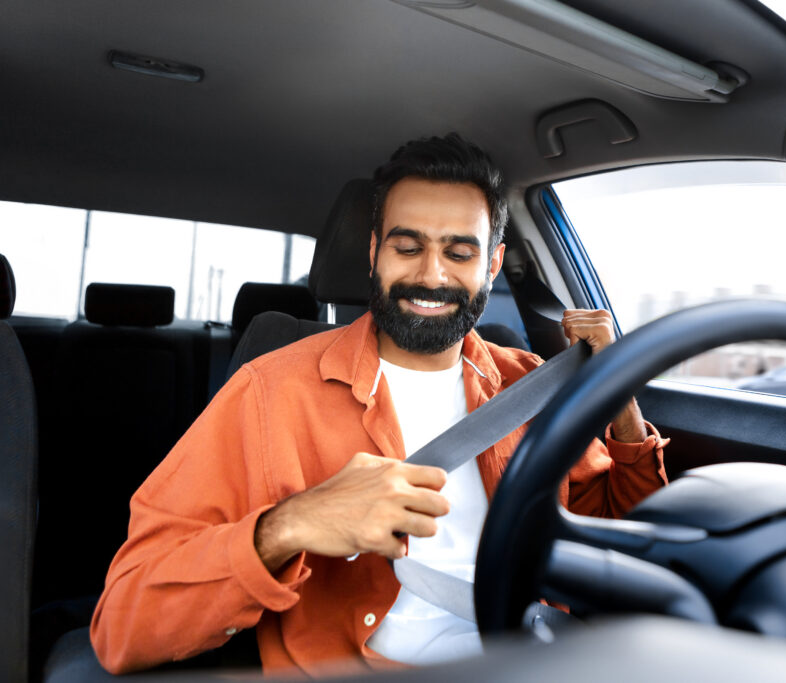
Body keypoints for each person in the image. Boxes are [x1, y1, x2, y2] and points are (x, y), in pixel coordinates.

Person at [90, 133, 669, 676]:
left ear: (491, 266)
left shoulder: (529, 384)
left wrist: (617, 394)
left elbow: (631, 540)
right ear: (374, 252)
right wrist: (290, 525)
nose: (430, 275)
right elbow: (125, 623)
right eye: (408, 246)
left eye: (460, 253)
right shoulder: (270, 392)